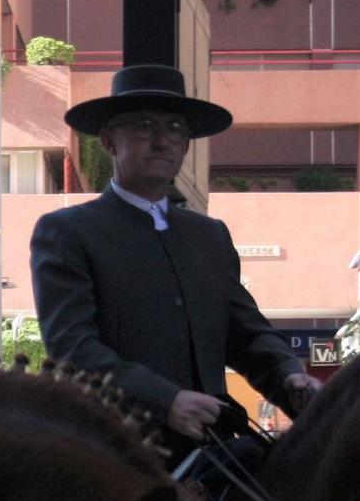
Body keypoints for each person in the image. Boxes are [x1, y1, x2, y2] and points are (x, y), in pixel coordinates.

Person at [30, 65, 321, 464]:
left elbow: (245, 333)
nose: (162, 139)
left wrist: (288, 374)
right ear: (109, 141)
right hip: (114, 450)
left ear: (185, 146)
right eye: (144, 125)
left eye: (176, 129)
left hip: (214, 446)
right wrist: (165, 400)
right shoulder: (68, 231)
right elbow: (72, 348)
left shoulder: (209, 236)